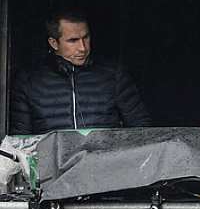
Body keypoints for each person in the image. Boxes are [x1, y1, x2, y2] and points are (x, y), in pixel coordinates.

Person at [10, 9, 151, 134]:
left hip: (106, 161)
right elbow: (20, 140)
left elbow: (141, 129)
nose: (82, 47)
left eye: (86, 37)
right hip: (52, 162)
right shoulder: (29, 80)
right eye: (73, 40)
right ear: (54, 43)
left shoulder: (113, 74)